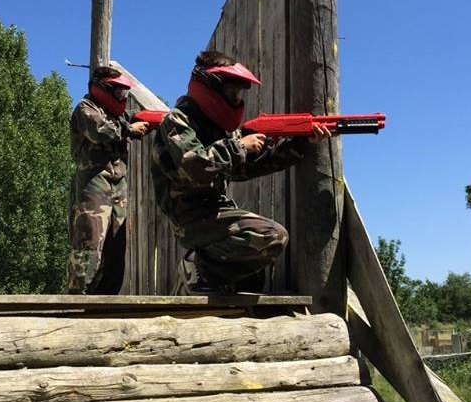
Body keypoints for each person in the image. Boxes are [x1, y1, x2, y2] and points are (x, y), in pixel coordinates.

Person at [151, 51, 331, 294]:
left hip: (215, 211)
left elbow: (247, 168)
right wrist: (240, 146)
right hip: (189, 216)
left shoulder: (217, 131)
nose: (236, 99)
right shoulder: (177, 121)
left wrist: (300, 144)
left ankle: (205, 276)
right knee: (271, 236)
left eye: (239, 93)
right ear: (208, 85)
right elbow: (194, 166)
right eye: (232, 92)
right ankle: (196, 266)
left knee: (250, 280)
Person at [67, 66, 149, 294]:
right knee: (89, 242)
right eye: (119, 92)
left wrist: (145, 123)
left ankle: (108, 300)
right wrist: (129, 128)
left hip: (118, 185)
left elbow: (123, 124)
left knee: (116, 243)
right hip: (93, 184)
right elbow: (99, 131)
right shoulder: (85, 108)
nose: (122, 97)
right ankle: (76, 302)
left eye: (125, 93)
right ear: (102, 88)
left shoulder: (118, 116)